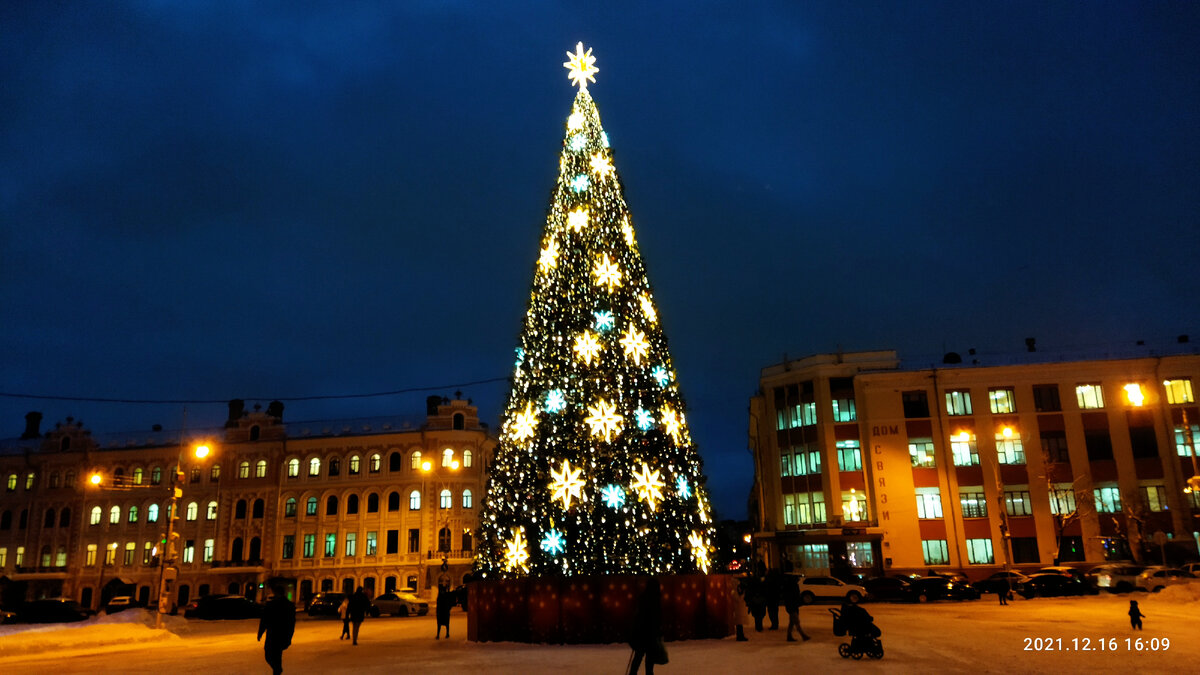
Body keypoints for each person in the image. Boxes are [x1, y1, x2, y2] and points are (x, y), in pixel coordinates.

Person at [627, 578, 665, 675]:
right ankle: (648, 673)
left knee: (639, 655)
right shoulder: (656, 599)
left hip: (642, 632)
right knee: (649, 656)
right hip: (650, 632)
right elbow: (657, 617)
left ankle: (633, 673)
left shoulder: (643, 598)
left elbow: (639, 616)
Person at [257, 585, 296, 675]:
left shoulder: (273, 605)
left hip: (275, 633)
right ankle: (277, 669)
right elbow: (292, 623)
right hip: (281, 634)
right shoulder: (288, 605)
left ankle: (277, 670)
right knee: (276, 655)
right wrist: (289, 636)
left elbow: (264, 620)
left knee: (270, 654)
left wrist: (260, 632)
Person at [780, 575, 810, 643]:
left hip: (791, 606)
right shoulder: (793, 587)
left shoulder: (788, 587)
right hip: (793, 606)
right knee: (796, 622)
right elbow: (795, 597)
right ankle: (803, 635)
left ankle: (789, 636)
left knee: (792, 622)